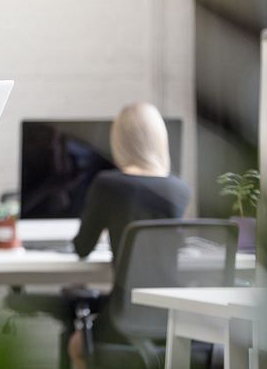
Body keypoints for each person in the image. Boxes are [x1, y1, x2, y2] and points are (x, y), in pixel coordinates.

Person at [67, 102, 191, 369]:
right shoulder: (180, 189)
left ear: (120, 141)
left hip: (125, 315)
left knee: (77, 343)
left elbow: (81, 247)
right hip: (173, 316)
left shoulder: (108, 184)